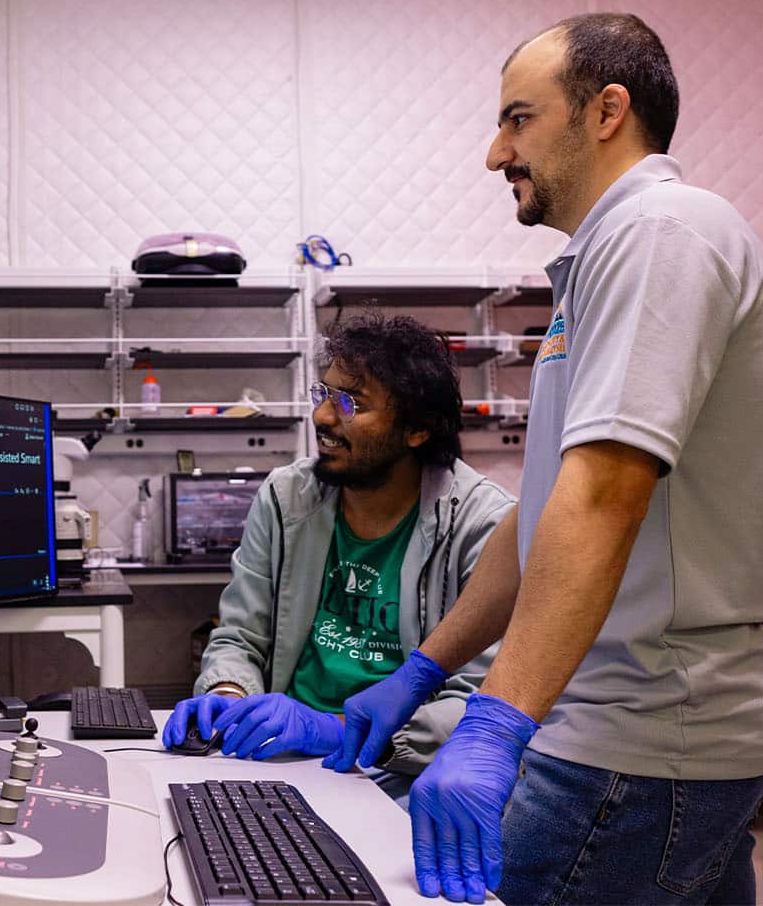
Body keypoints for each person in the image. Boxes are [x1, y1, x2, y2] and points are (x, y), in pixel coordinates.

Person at [331, 13, 763, 905]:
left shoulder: (662, 233)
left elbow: (603, 497)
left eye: (519, 119)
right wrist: (422, 672)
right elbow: (545, 514)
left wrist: (494, 723)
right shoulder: (608, 261)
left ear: (607, 111)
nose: (496, 154)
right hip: (638, 736)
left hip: (638, 740)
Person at [162, 312, 514, 785]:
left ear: (416, 429)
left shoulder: (481, 523)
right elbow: (240, 637)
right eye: (323, 394)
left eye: (351, 403)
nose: (323, 416)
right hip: (279, 756)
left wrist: (336, 729)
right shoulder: (286, 497)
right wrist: (228, 693)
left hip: (399, 771)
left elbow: (482, 700)